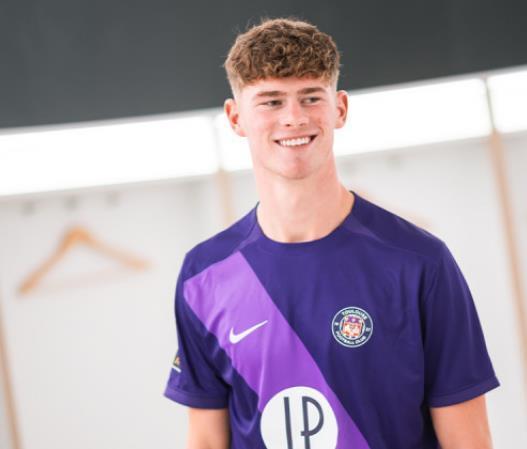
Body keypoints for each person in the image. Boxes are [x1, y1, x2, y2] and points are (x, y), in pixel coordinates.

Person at [163, 17, 500, 449]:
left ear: (339, 108)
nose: (294, 118)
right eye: (271, 102)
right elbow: (206, 441)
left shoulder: (419, 261)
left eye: (310, 97)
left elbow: (469, 441)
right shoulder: (203, 276)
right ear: (235, 117)